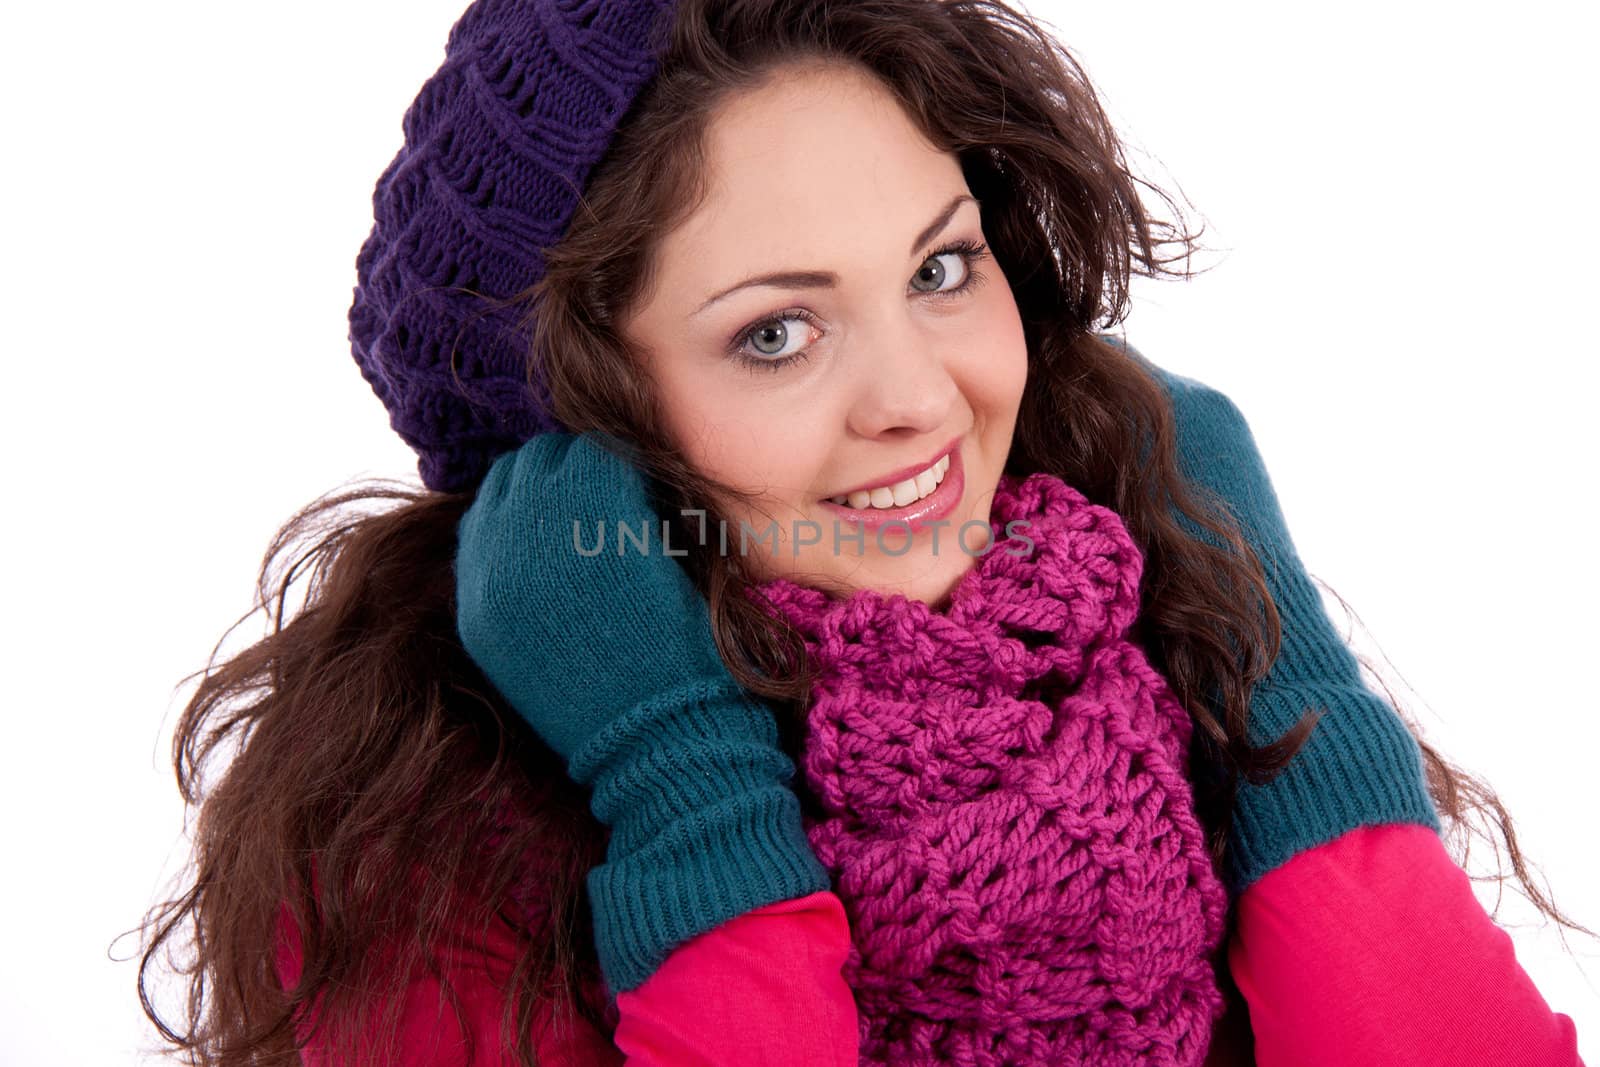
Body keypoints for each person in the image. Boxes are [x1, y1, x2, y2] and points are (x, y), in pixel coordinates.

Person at [135, 1, 1592, 1064]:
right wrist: (685, 788)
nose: (920, 399)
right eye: (775, 333)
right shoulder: (419, 837)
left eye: (943, 267)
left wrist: (1277, 652)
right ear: (582, 429)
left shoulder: (1143, 654)